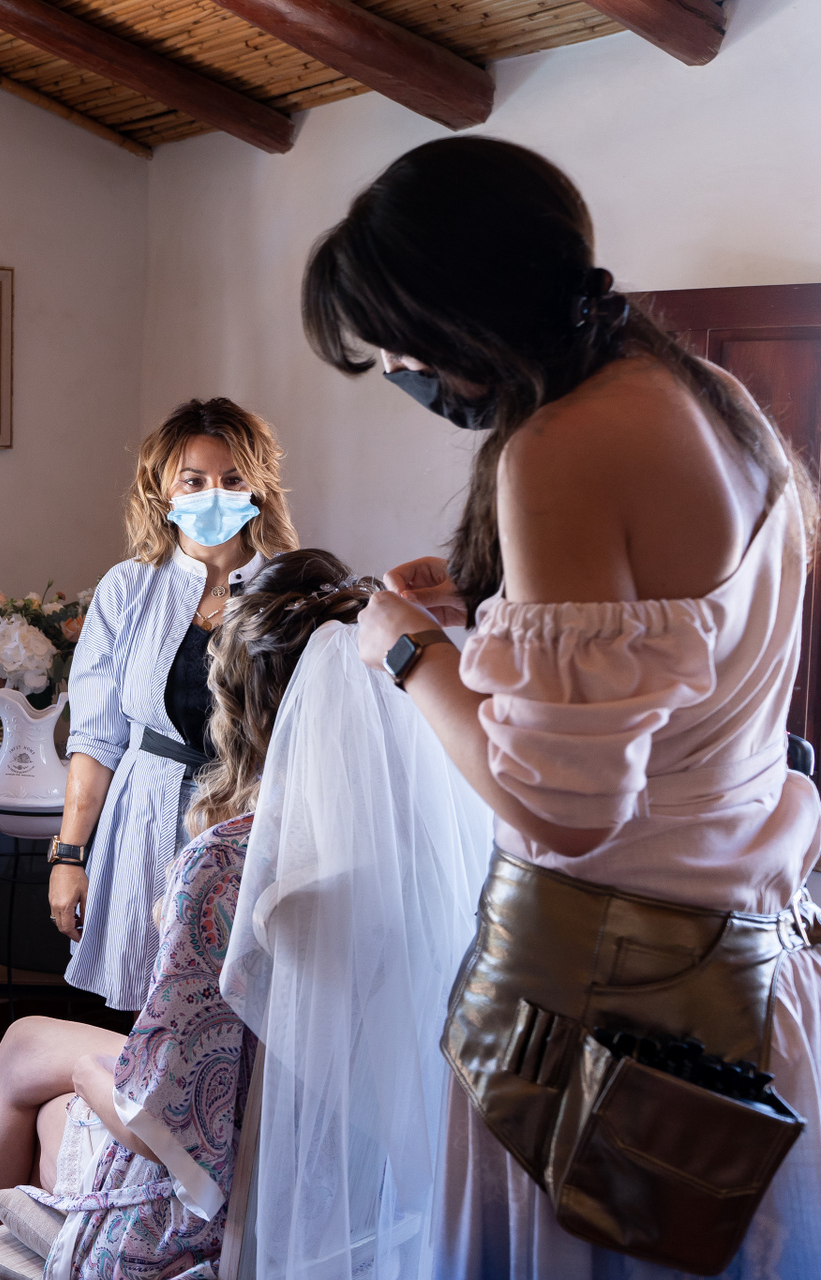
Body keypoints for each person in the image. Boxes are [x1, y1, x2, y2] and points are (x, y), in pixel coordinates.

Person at [308, 136, 821, 1276]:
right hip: (741, 959)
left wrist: (405, 651)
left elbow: (561, 810)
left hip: (608, 1008)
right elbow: (677, 635)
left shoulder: (559, 446)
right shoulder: (710, 396)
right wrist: (498, 607)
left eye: (395, 341)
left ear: (458, 318)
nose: (395, 366)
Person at [0, 551, 378, 1280]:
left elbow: (159, 1127)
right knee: (29, 1046)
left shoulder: (224, 867)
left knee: (47, 1097)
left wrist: (95, 1071)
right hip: (334, 1174)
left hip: (220, 1199)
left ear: (236, 701)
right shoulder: (396, 843)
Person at [50, 398, 297, 1010]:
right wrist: (68, 856)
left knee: (233, 1008)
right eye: (194, 479)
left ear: (258, 487)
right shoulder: (126, 590)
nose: (214, 494)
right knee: (142, 1007)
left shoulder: (291, 595)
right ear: (162, 489)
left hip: (249, 825)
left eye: (232, 479)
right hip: (141, 818)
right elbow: (96, 740)